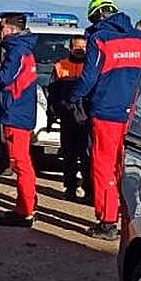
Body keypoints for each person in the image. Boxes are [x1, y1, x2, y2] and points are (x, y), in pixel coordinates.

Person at [69, 0, 141, 240]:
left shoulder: (100, 39)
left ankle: (106, 221)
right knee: (125, 167)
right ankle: (128, 217)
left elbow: (89, 77)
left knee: (103, 167)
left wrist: (73, 97)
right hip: (135, 113)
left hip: (106, 112)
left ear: (95, 16)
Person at [0, 12, 39, 228]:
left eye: (2, 28)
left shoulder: (17, 51)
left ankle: (25, 211)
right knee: (22, 162)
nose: (0, 33)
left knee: (20, 163)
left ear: (11, 29)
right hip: (20, 112)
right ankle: (25, 205)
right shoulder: (23, 50)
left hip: (16, 114)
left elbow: (6, 78)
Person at [48, 35, 92, 203]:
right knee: (69, 155)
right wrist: (54, 112)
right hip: (68, 118)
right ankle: (70, 188)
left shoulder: (90, 66)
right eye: (77, 47)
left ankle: (89, 190)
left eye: (83, 48)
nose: (80, 51)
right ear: (70, 48)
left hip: (86, 118)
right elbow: (52, 92)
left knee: (87, 156)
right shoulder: (60, 66)